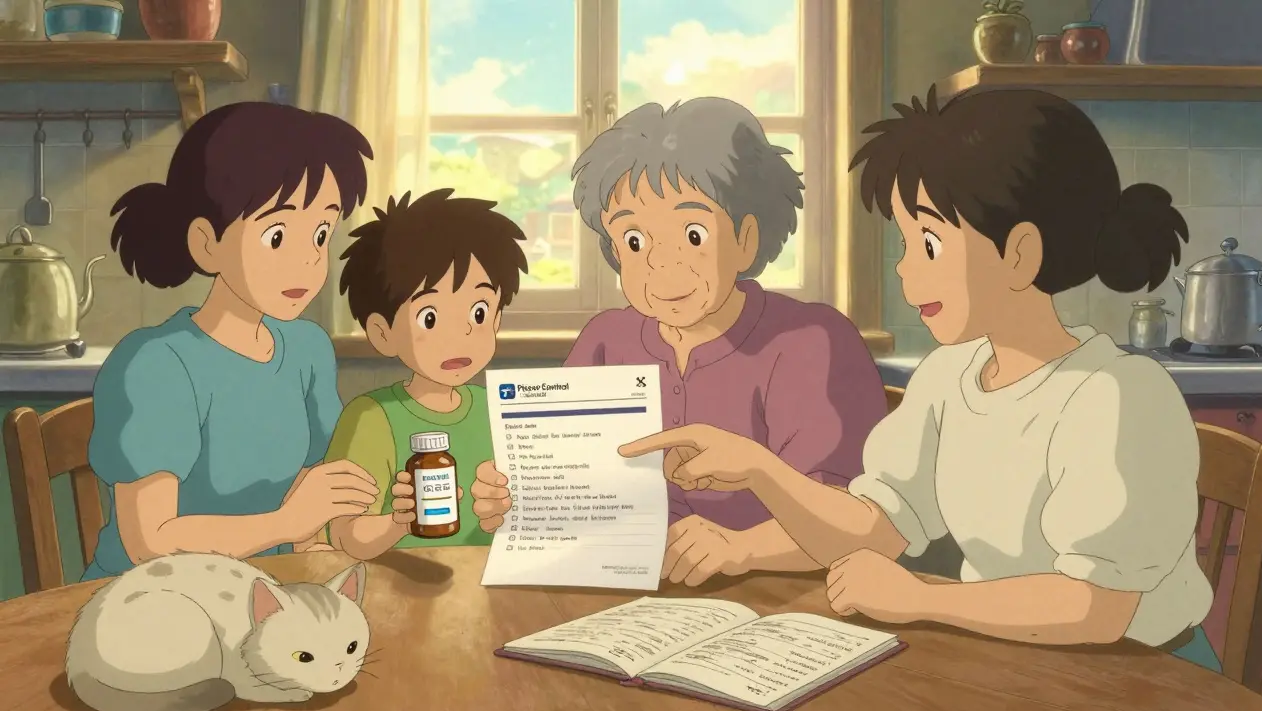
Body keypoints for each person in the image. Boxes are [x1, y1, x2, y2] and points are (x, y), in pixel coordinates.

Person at [614, 86, 1221, 671]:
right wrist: (761, 470)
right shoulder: (948, 377)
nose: (905, 268)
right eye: (905, 242)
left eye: (928, 243)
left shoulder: (1117, 396)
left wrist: (922, 599)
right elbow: (875, 528)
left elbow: (1096, 608)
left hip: (1144, 674)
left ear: (1019, 253)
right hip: (1011, 656)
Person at [469, 97, 887, 587]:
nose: (662, 265)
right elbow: (571, 489)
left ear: (746, 238)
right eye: (635, 241)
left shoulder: (811, 342)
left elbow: (858, 521)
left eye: (693, 234)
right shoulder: (605, 341)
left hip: (781, 598)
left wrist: (743, 548)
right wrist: (516, 498)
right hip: (630, 593)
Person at [83, 102, 379, 580]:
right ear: (207, 243)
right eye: (277, 235)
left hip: (260, 595)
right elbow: (149, 543)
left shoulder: (308, 349)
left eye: (321, 233)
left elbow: (311, 489)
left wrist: (316, 541)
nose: (307, 259)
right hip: (148, 600)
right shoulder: (158, 364)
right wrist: (286, 523)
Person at [322, 189, 528, 558]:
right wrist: (398, 522)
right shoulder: (370, 418)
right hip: (400, 583)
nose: (459, 335)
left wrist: (505, 510)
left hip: (485, 578)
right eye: (429, 317)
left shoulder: (496, 409)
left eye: (478, 312)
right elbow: (344, 535)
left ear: (496, 318)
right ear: (383, 333)